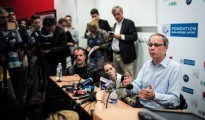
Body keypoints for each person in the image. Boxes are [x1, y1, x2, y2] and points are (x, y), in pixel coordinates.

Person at [123, 33, 180, 109]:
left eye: (156, 45)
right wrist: (129, 86)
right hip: (141, 106)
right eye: (150, 45)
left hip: (160, 111)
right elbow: (137, 87)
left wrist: (154, 96)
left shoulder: (174, 68)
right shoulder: (146, 64)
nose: (152, 48)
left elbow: (175, 100)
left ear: (166, 48)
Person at [109, 6, 138, 77]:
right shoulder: (115, 24)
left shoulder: (129, 23)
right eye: (114, 15)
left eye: (118, 14)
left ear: (122, 12)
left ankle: (130, 88)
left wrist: (120, 36)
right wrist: (111, 37)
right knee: (118, 77)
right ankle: (120, 88)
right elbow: (116, 38)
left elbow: (134, 37)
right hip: (115, 54)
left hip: (125, 55)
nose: (116, 16)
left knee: (128, 77)